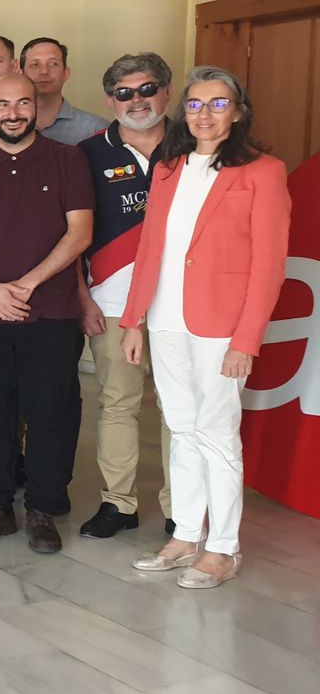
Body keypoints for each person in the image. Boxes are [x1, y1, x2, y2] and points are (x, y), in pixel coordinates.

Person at [122, 67, 291, 588]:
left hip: (222, 327)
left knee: (218, 436)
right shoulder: (169, 168)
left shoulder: (263, 171)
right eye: (195, 104)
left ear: (237, 112)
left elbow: (269, 263)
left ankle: (223, 548)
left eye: (218, 104)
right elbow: (150, 248)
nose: (205, 114)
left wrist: (247, 339)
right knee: (182, 429)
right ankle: (187, 535)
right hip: (167, 319)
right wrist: (134, 321)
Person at [0, 73, 93, 554]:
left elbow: (80, 233)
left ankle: (44, 509)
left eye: (22, 103)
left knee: (50, 411)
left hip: (51, 311)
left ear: (36, 107)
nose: (12, 112)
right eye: (2, 103)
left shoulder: (68, 160)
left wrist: (26, 285)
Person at [75, 53, 175, 539]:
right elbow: (72, 234)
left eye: (147, 88)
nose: (137, 100)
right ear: (110, 99)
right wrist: (82, 298)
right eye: (124, 92)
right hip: (112, 302)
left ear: (167, 92)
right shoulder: (88, 153)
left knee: (180, 408)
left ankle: (183, 506)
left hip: (183, 302)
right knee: (117, 403)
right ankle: (119, 503)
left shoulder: (196, 144)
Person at [20, 37, 108, 145]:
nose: (44, 72)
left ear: (66, 73)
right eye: (35, 64)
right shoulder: (5, 127)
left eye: (53, 64)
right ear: (21, 74)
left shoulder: (95, 129)